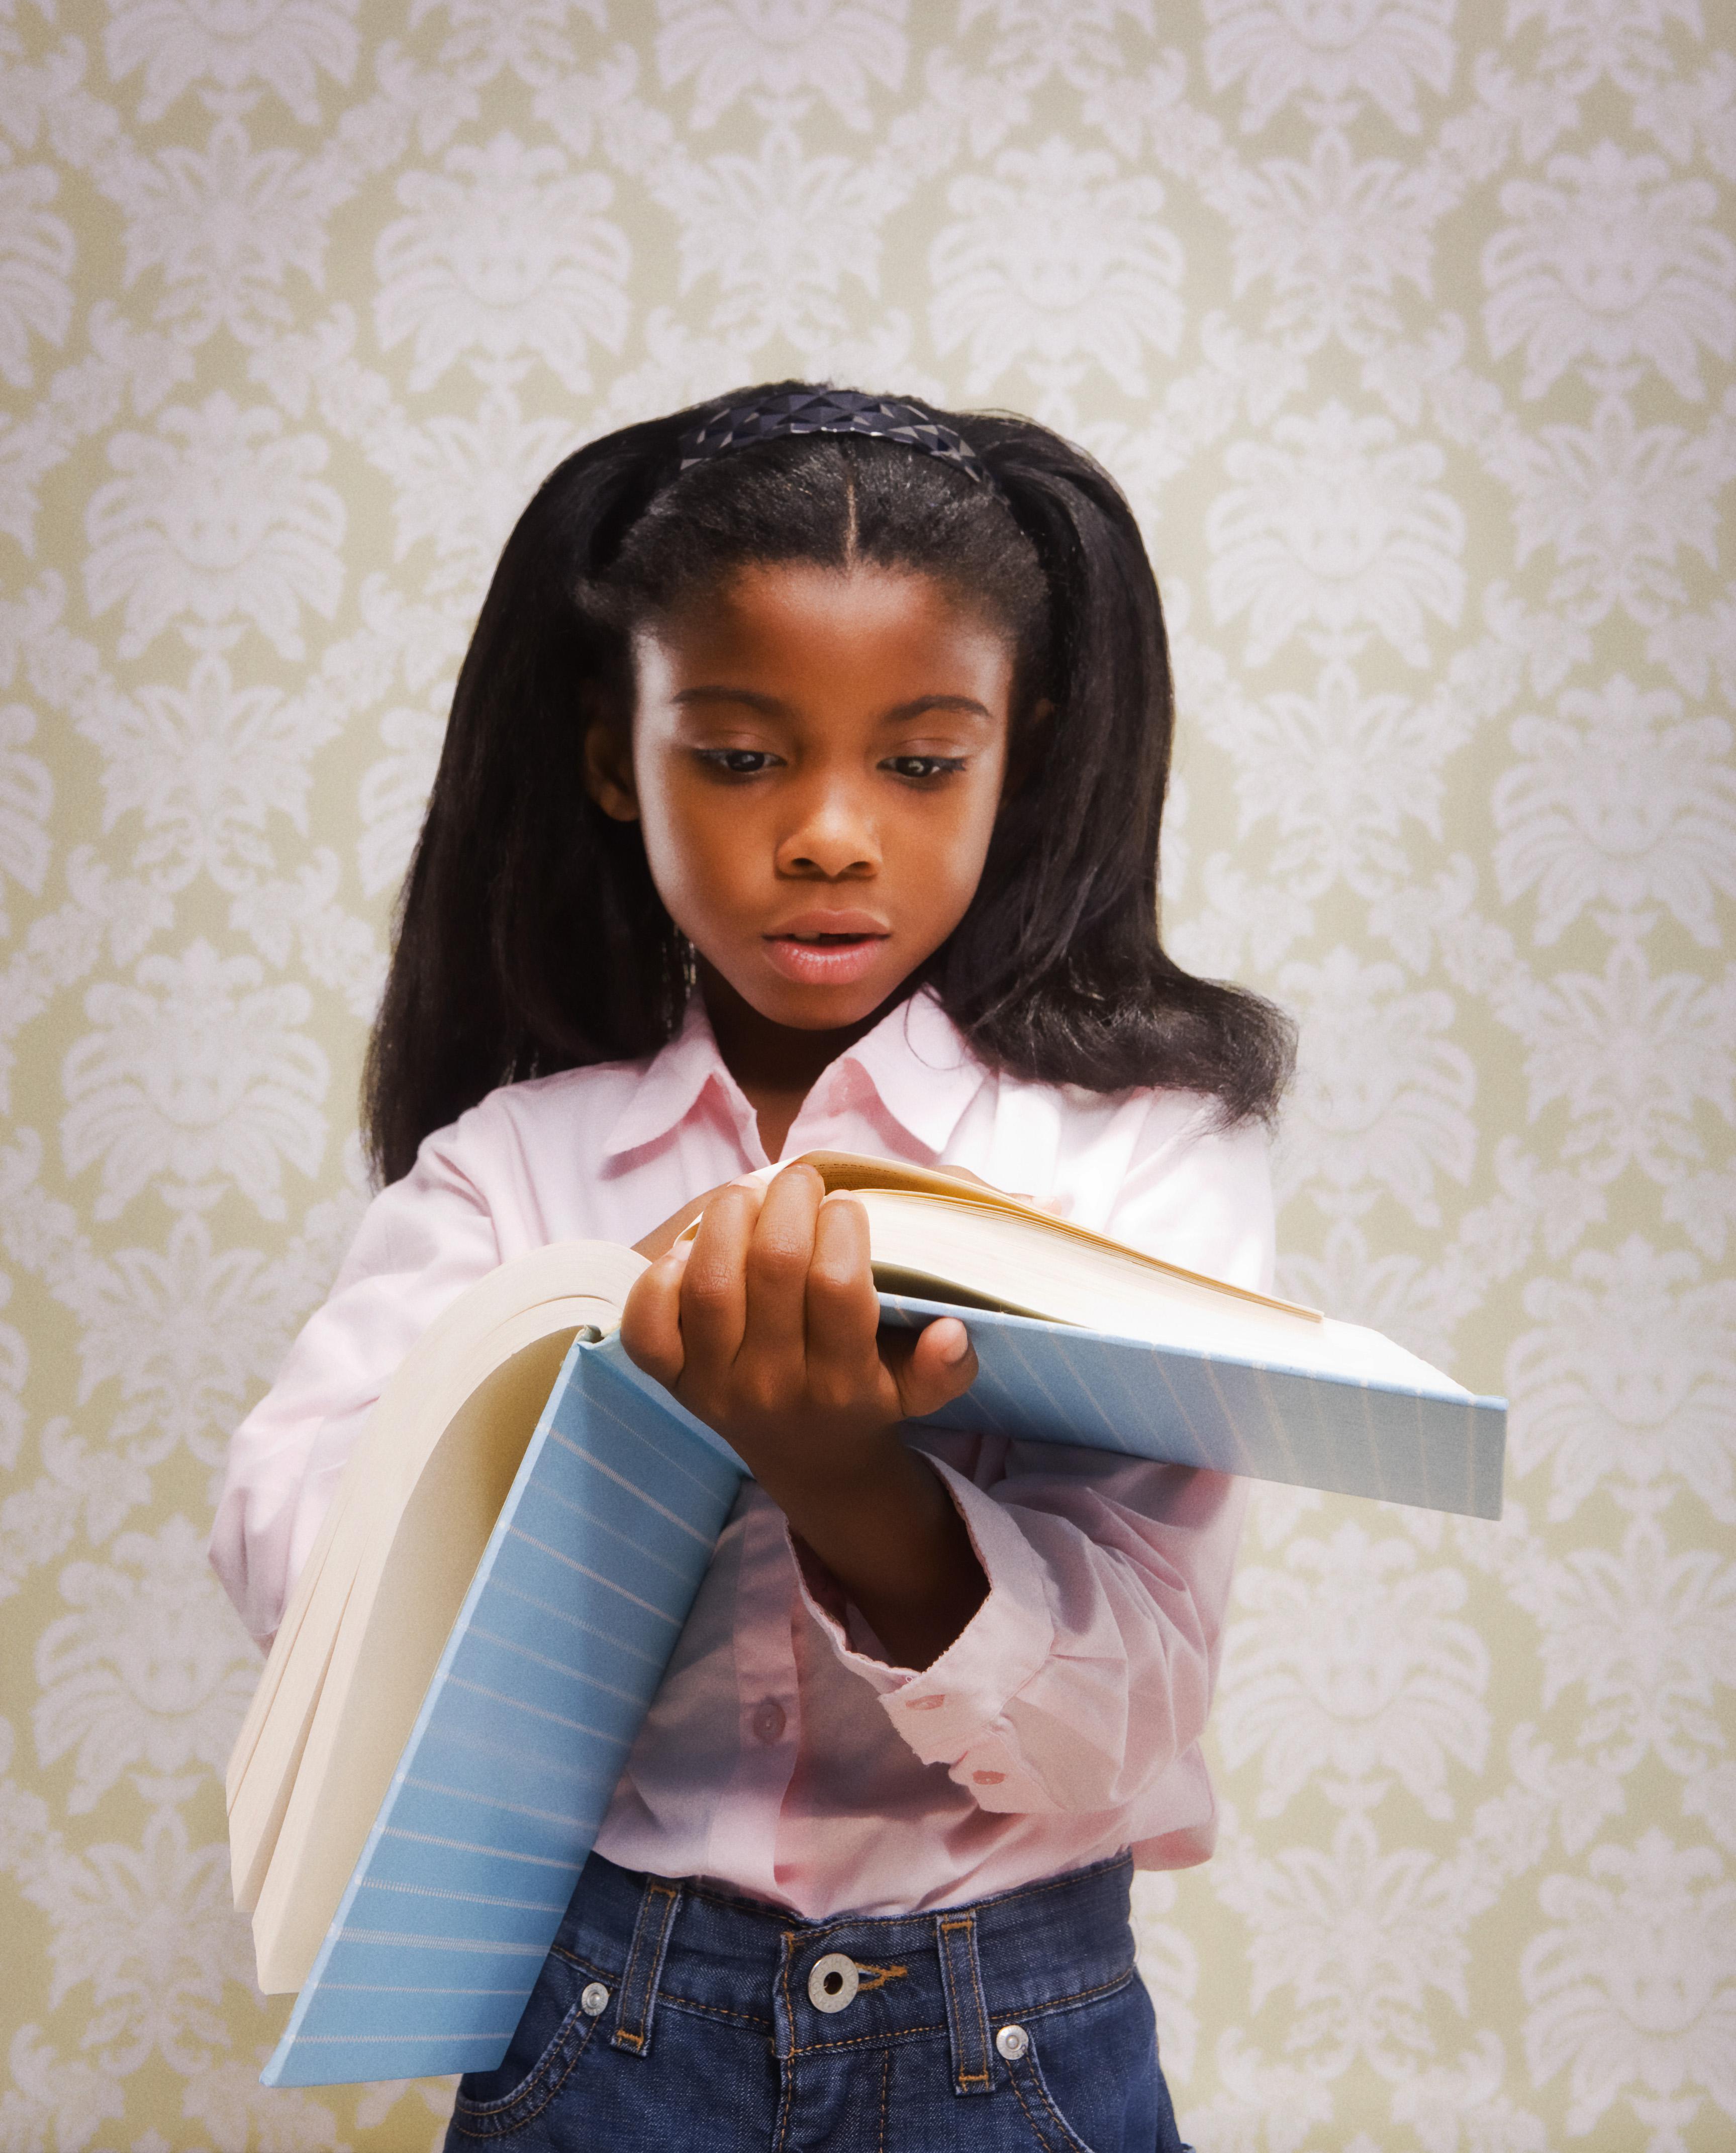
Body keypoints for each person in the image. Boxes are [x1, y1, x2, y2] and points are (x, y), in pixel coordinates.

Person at [211, 383, 1293, 2152]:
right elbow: (286, 1545)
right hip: (602, 2027)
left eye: (922, 761)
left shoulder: (1140, 1150)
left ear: (1022, 753)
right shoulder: (521, 1162)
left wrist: (858, 1491)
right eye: (739, 755)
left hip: (1010, 2037)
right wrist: (595, 1395)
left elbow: (1130, 1722)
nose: (830, 833)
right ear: (607, 757)